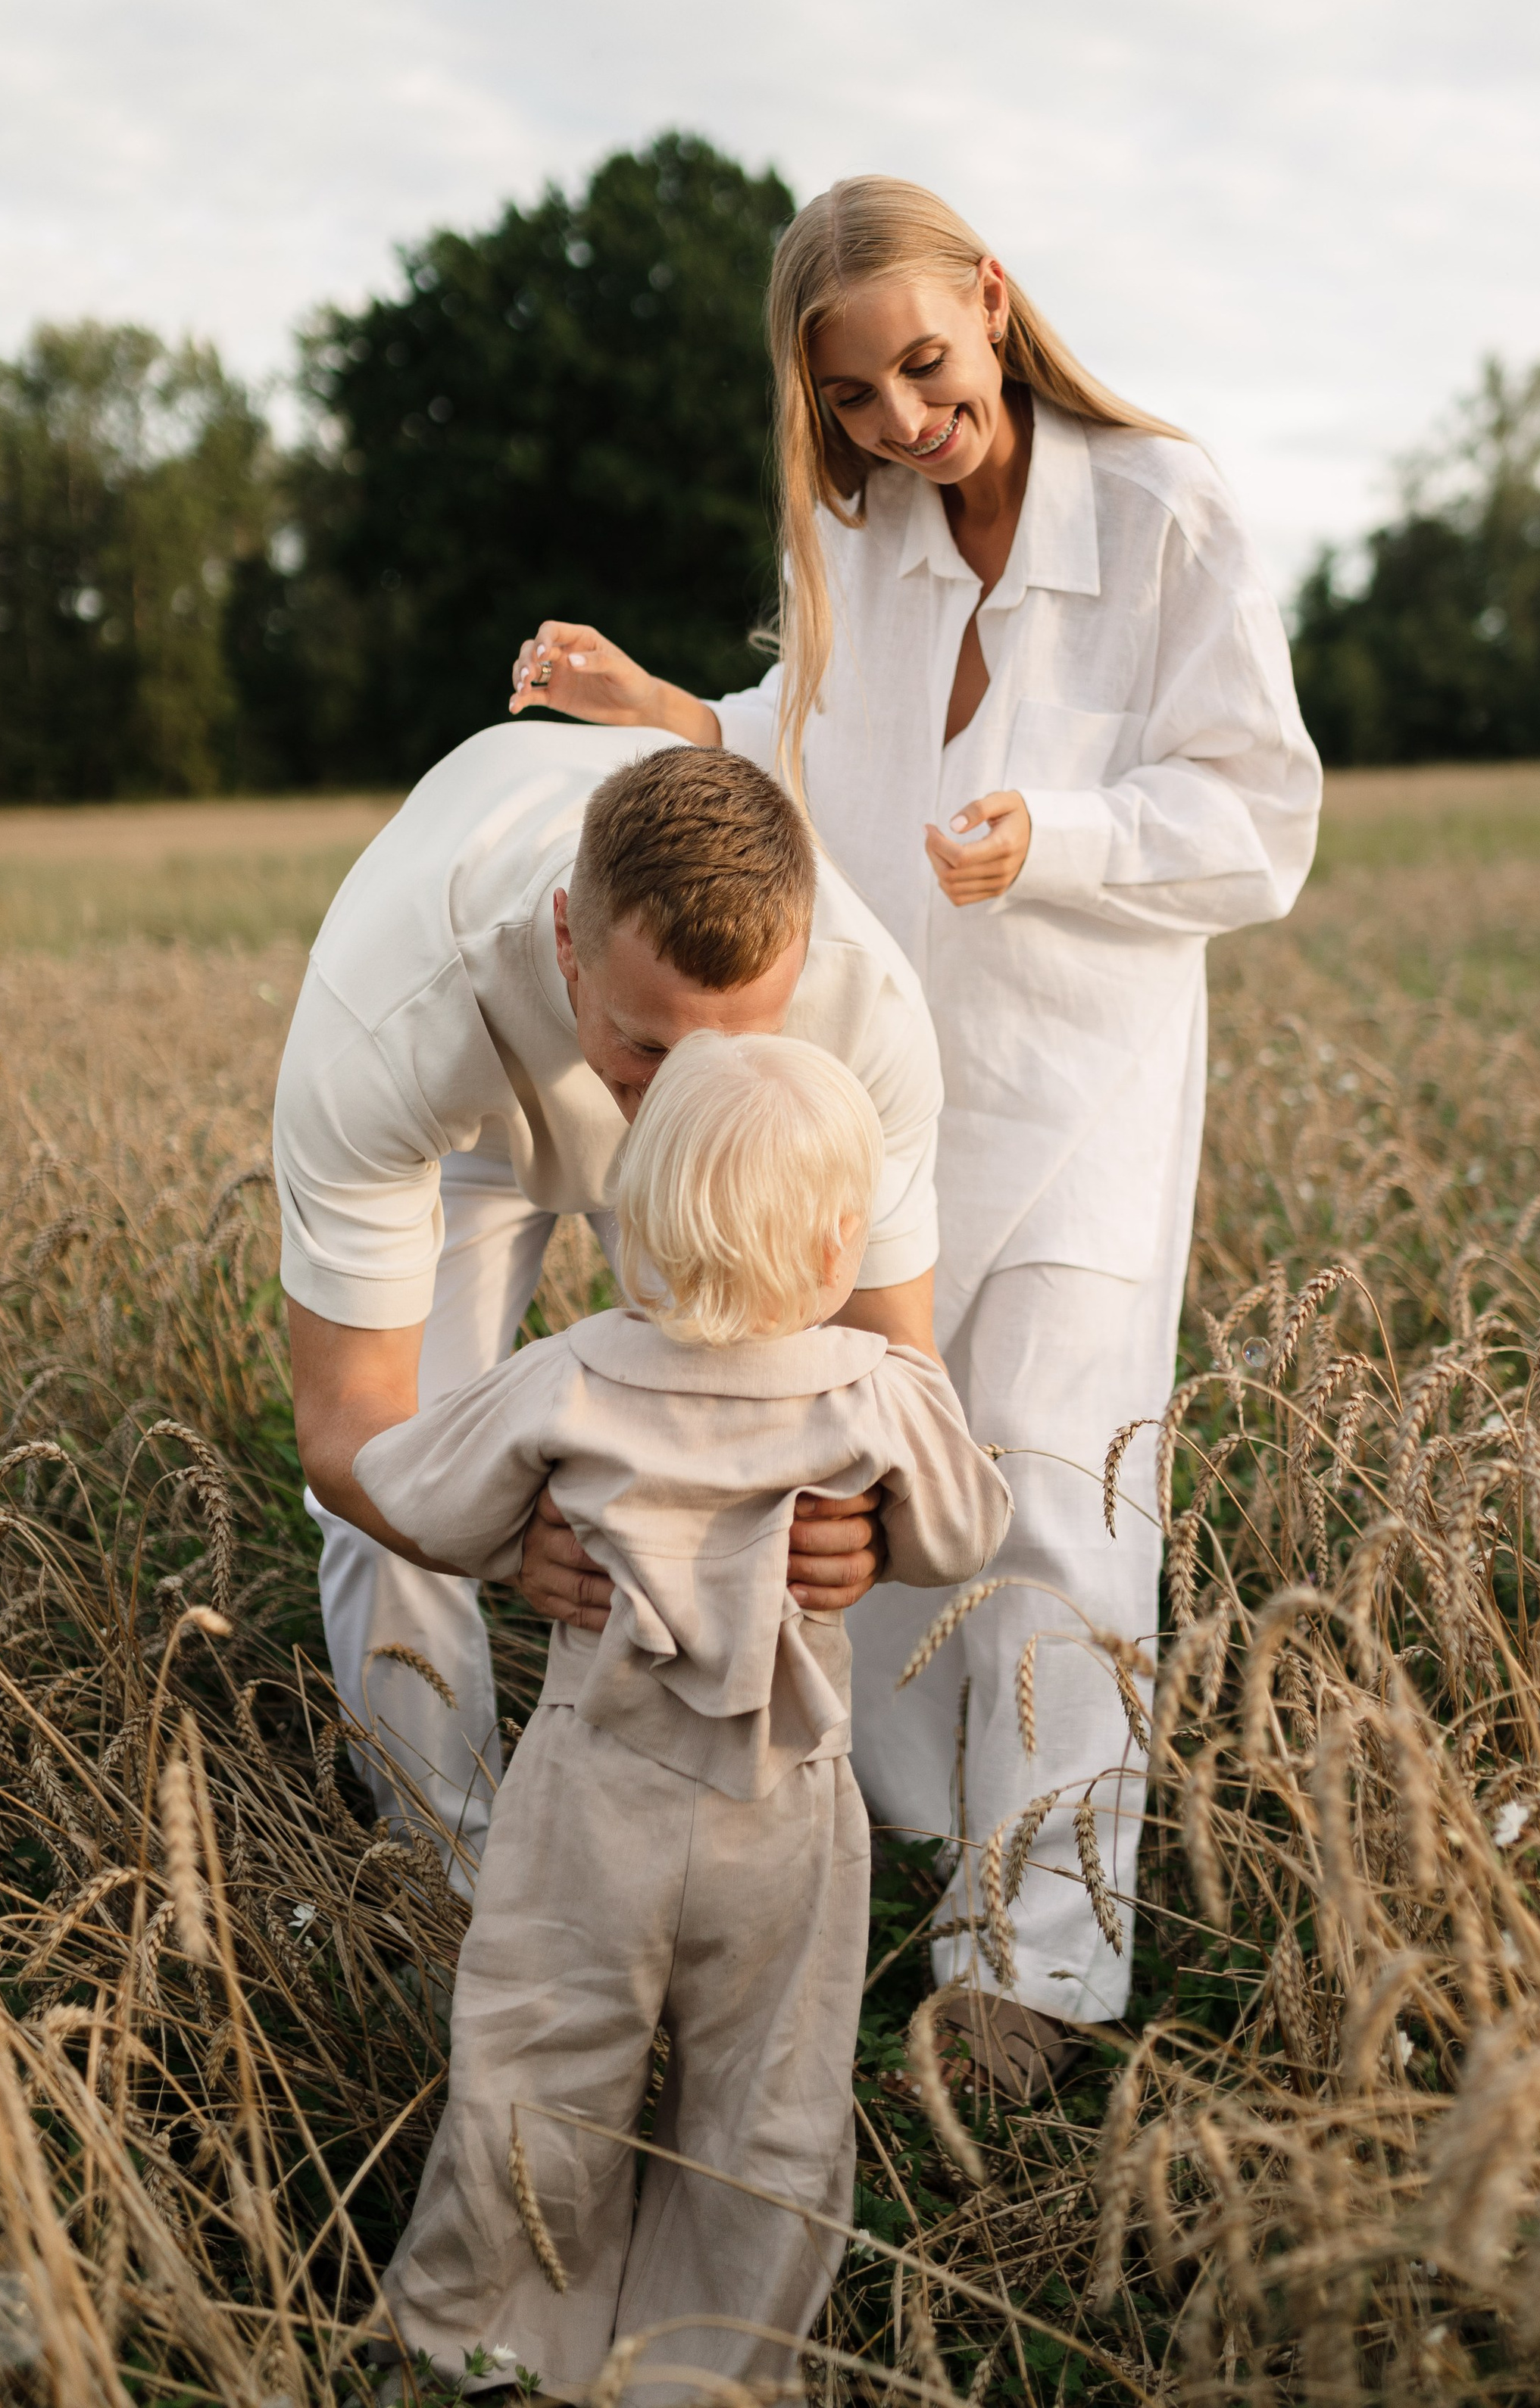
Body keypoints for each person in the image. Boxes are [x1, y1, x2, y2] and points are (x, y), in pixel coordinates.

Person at [506, 175, 1321, 2092]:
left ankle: (1033, 1975)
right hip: (870, 1084)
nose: (893, 422)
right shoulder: (857, 529)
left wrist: (1066, 836)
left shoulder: (1164, 508)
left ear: (992, 300)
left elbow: (1258, 814)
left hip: (1079, 1089)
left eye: (920, 368)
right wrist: (667, 712)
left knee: (1048, 1501)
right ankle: (912, 1862)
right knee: (858, 1476)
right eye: (849, 398)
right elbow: (809, 735)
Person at [326, 1029, 1011, 2400]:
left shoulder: (568, 1373)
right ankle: (710, 2368)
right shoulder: (874, 1389)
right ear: (834, 1247)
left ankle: (475, 2333)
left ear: (636, 1221)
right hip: (785, 1815)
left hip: (596, 1797)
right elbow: (967, 1530)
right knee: (770, 2098)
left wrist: (524, 1541)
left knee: (538, 2064)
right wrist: (876, 1522)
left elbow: (406, 1489)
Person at [273, 726, 941, 1878]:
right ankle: (454, 1877)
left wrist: (875, 1522)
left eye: (739, 1039)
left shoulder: (864, 1007)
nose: (686, 1096)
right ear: (568, 938)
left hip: (755, 1148)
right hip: (469, 1127)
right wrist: (499, 1534)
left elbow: (892, 1367)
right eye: (649, 1048)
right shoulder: (385, 1019)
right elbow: (348, 1430)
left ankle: (737, 1839)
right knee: (397, 1503)